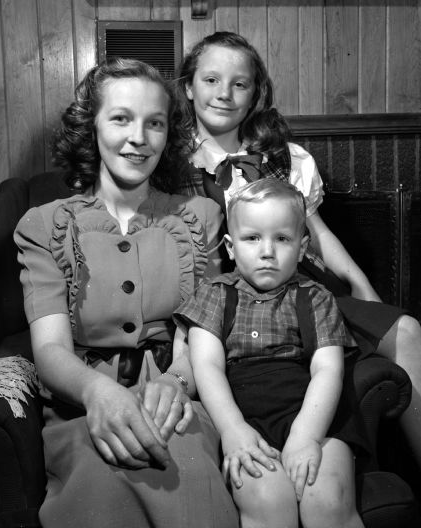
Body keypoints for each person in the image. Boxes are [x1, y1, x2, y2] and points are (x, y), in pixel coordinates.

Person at [175, 30, 421, 468]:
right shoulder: (169, 162)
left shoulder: (285, 158)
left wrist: (363, 288)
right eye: (211, 80)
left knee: (405, 330)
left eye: (240, 83)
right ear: (189, 87)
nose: (224, 94)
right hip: (225, 299)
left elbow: (319, 235)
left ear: (255, 95)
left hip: (298, 289)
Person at [13, 58, 239, 528]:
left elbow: (202, 332)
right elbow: (50, 349)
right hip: (82, 408)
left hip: (175, 402)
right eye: (120, 118)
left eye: (154, 123)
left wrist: (177, 382)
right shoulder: (45, 226)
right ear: (89, 127)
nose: (139, 138)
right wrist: (97, 393)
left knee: (193, 497)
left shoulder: (199, 218)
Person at [174, 178, 366, 528]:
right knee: (268, 500)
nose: (267, 251)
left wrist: (307, 436)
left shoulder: (316, 297)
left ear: (302, 246)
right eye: (252, 238)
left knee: (328, 500)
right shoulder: (214, 293)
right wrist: (233, 431)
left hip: (315, 415)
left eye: (281, 238)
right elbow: (207, 366)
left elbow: (327, 371)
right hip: (245, 418)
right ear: (231, 247)